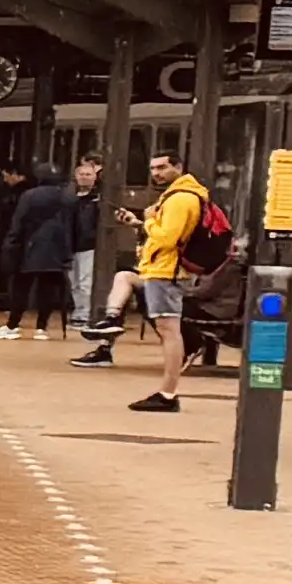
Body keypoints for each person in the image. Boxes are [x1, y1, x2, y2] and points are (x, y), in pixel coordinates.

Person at [117, 158, 224, 408]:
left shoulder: (180, 198)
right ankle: (168, 392)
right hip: (165, 269)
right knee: (169, 330)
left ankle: (168, 393)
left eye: (162, 168)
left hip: (167, 270)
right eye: (152, 168)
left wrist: (150, 218)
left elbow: (167, 237)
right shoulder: (180, 195)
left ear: (178, 166)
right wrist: (140, 224)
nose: (156, 173)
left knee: (169, 331)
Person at [0, 158, 81, 343]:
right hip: (57, 249)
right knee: (48, 290)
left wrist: (11, 244)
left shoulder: (30, 196)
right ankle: (42, 327)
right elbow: (75, 225)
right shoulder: (69, 197)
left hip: (30, 247)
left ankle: (13, 325)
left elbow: (19, 223)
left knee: (21, 288)